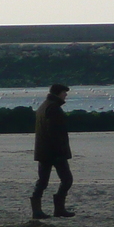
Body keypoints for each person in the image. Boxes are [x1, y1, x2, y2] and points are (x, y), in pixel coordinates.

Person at [30, 83, 75, 219]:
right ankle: (58, 209)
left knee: (42, 181)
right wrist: (62, 151)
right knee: (67, 180)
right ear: (58, 93)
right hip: (55, 152)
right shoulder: (54, 108)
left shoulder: (43, 106)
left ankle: (37, 210)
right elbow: (55, 132)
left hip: (43, 151)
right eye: (64, 92)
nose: (66, 95)